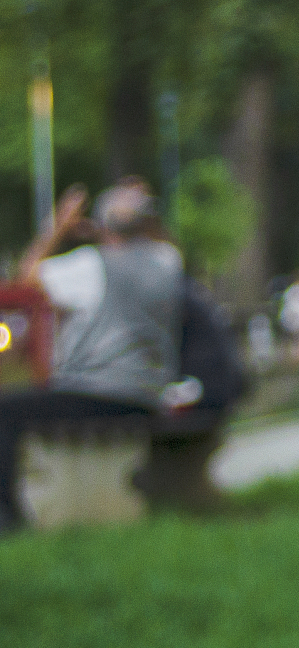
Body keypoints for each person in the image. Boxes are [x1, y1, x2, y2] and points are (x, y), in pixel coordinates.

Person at [0, 179, 184, 533]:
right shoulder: (167, 261)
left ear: (100, 227)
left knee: (5, 410)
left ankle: (6, 517)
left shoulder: (90, 266)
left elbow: (26, 281)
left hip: (99, 389)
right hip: (149, 391)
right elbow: (156, 241)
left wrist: (58, 229)